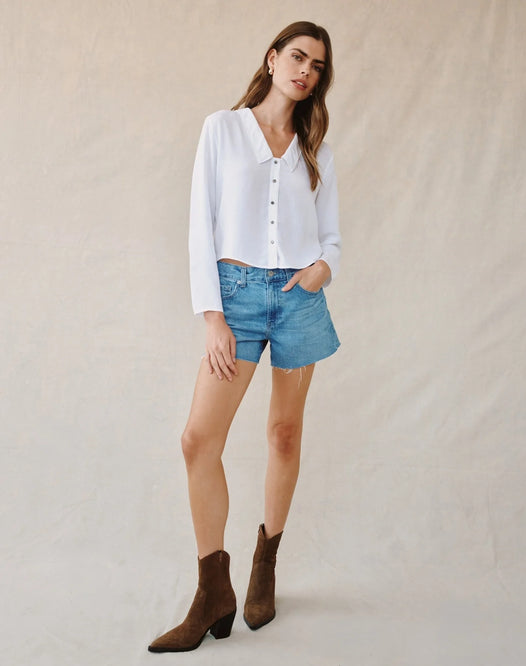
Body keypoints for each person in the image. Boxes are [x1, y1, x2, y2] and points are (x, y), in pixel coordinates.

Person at [148, 20, 341, 653]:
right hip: (235, 297)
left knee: (284, 434)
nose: (305, 70)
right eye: (297, 57)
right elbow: (199, 225)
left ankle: (265, 565)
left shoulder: (315, 146)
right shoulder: (223, 130)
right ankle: (213, 591)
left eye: (317, 65)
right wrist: (213, 316)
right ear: (272, 58)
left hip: (299, 299)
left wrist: (323, 267)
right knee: (198, 441)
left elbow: (332, 237)